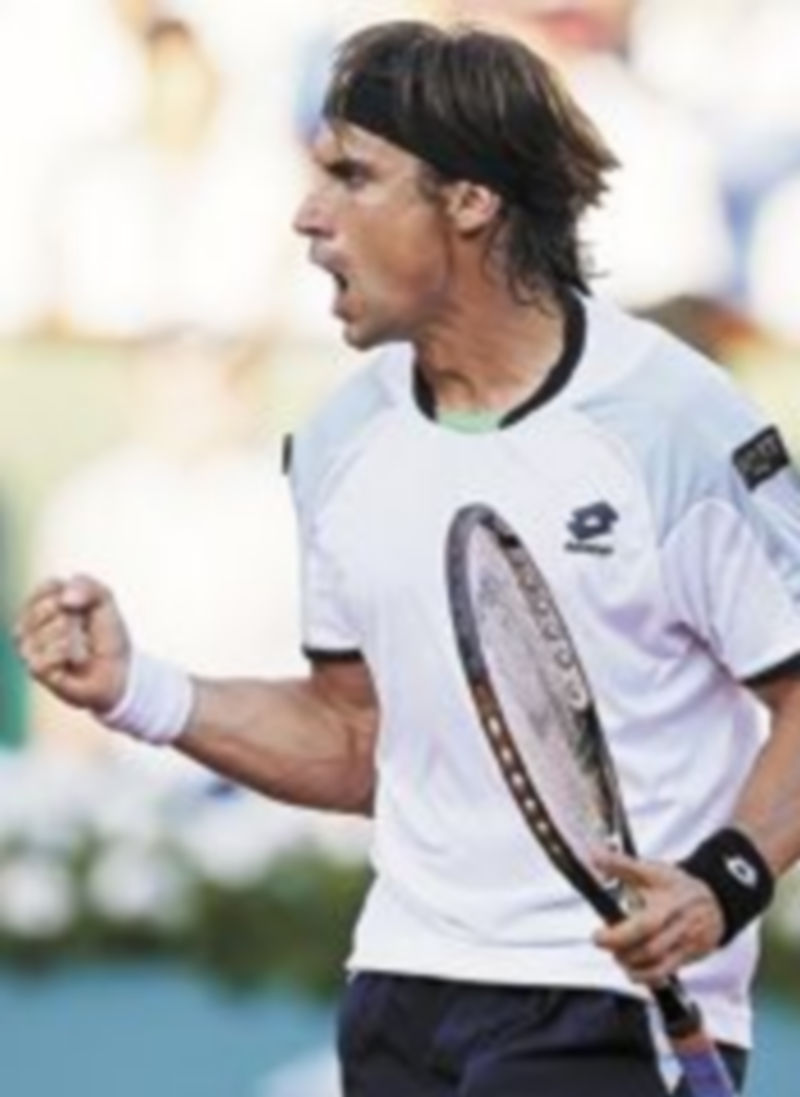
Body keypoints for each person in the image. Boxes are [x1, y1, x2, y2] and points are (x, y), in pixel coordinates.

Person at [15, 20, 800, 1097]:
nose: (306, 215)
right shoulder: (341, 439)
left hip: (609, 1007)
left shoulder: (675, 427)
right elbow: (355, 738)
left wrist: (722, 881)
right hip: (400, 985)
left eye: (351, 175)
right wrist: (138, 688)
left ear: (469, 200)